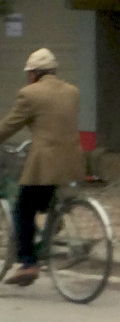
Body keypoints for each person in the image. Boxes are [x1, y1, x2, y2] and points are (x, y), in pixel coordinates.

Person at [0, 48, 84, 286]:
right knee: (44, 202)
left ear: (35, 73)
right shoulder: (72, 92)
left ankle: (28, 263)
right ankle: (52, 226)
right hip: (72, 161)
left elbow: (10, 125)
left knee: (22, 210)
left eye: (30, 73)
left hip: (45, 163)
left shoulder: (30, 94)